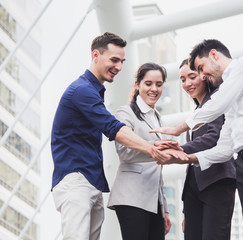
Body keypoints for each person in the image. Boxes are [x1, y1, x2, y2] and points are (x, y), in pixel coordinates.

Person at [151, 39, 243, 240]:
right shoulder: (230, 101)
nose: (203, 76)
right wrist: (185, 157)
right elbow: (224, 149)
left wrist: (179, 128)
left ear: (214, 55)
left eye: (201, 68)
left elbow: (218, 103)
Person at [50, 32, 186, 240]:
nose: (119, 67)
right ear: (95, 55)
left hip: (92, 181)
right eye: (114, 60)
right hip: (75, 179)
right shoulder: (81, 91)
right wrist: (152, 148)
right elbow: (114, 128)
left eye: (122, 61)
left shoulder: (95, 92)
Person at [107, 63, 172, 240]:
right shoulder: (126, 113)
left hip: (154, 202)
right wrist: (156, 148)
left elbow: (157, 169)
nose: (154, 89)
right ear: (137, 85)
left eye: (159, 84)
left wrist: (164, 208)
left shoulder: (158, 118)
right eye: (148, 83)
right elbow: (124, 151)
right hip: (132, 197)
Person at [179, 59, 236, 240]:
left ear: (204, 76)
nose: (187, 83)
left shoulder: (218, 101)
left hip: (217, 182)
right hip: (194, 189)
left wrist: (179, 150)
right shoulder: (196, 112)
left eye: (192, 76)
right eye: (182, 79)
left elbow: (214, 137)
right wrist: (186, 211)